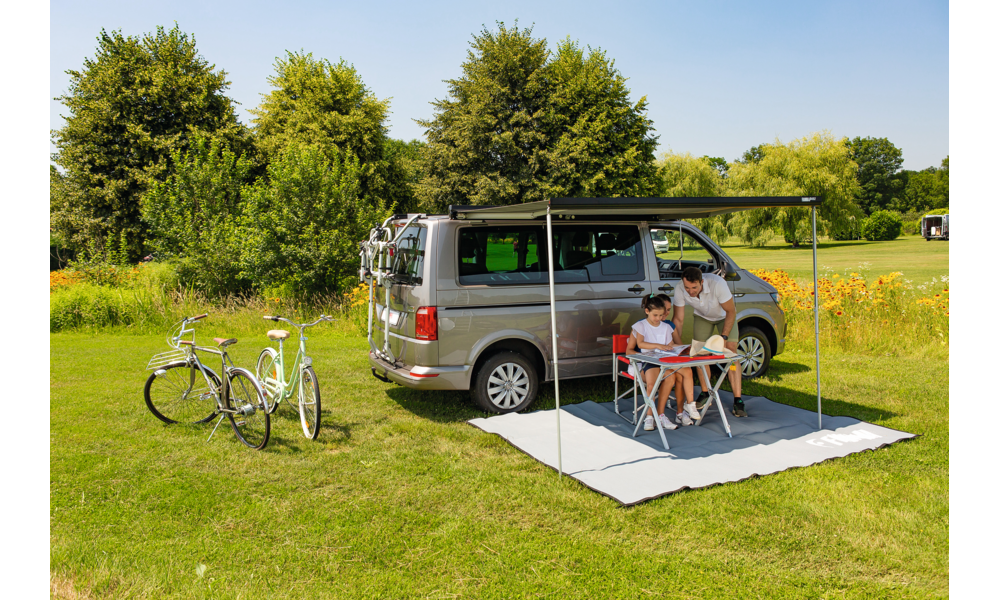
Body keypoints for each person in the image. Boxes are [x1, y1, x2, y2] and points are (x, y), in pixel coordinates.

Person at [670, 266, 747, 417]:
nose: (690, 291)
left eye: (694, 287)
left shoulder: (717, 284)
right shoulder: (680, 288)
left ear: (702, 282)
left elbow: (731, 311)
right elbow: (678, 319)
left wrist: (723, 337)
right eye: (687, 287)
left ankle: (738, 400)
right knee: (699, 352)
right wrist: (676, 344)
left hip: (725, 316)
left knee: (731, 352)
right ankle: (706, 393)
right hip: (702, 317)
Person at [631, 295, 698, 430]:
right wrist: (658, 346)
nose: (659, 318)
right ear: (647, 311)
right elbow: (640, 343)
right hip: (650, 361)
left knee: (687, 370)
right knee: (652, 384)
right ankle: (649, 417)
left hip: (665, 360)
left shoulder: (666, 327)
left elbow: (670, 345)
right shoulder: (640, 325)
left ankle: (688, 405)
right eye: (656, 315)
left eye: (661, 315)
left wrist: (682, 348)